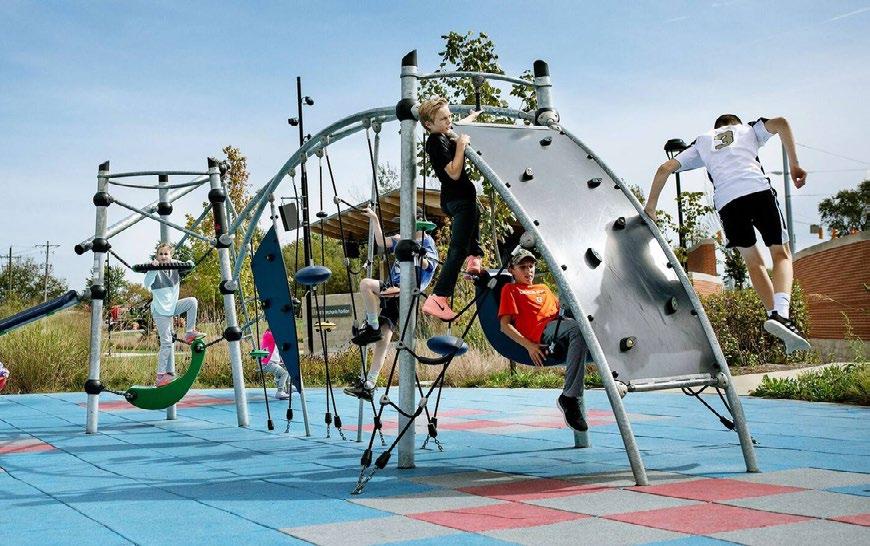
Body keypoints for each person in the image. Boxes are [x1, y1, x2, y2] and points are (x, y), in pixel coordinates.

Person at [644, 114, 810, 354]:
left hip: (728, 204)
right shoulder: (749, 129)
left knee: (754, 263)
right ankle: (782, 313)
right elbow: (782, 122)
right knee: (781, 255)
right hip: (757, 191)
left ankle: (773, 316)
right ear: (736, 123)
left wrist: (650, 207)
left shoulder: (702, 141)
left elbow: (664, 169)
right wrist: (794, 164)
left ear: (716, 129)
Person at [345, 205, 438, 401]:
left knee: (366, 285)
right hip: (392, 288)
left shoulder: (427, 242)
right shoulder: (401, 239)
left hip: (405, 290)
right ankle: (370, 383)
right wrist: (374, 219)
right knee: (383, 339)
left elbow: (429, 266)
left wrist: (414, 251)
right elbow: (381, 241)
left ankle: (372, 327)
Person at [498, 249, 588, 432]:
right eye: (522, 267)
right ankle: (569, 398)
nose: (528, 271)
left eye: (531, 266)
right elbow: (504, 326)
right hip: (543, 330)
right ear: (511, 270)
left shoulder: (544, 288)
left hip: (560, 323)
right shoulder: (511, 290)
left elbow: (560, 310)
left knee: (588, 318)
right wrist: (529, 345)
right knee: (578, 329)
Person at [419, 96, 484, 321]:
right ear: (429, 124)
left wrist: (472, 117)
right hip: (457, 198)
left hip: (459, 199)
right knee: (457, 249)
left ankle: (474, 257)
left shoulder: (444, 133)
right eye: (443, 119)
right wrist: (462, 145)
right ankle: (438, 297)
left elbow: (457, 126)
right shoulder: (436, 141)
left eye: (450, 116)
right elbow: (454, 173)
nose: (449, 122)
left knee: (475, 215)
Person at [142, 243, 204, 386]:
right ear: (157, 256)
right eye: (161, 254)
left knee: (192, 301)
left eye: (166, 254)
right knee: (166, 342)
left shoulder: (174, 265)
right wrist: (153, 269)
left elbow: (188, 264)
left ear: (171, 256)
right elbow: (146, 283)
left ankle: (189, 332)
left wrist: (189, 262)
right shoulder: (154, 269)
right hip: (160, 311)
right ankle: (160, 376)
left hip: (172, 306)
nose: (163, 256)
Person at [260, 328, 291, 400]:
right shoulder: (268, 335)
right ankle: (280, 391)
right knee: (284, 373)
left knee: (282, 373)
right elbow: (281, 339)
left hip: (272, 362)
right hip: (268, 363)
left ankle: (287, 389)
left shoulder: (272, 337)